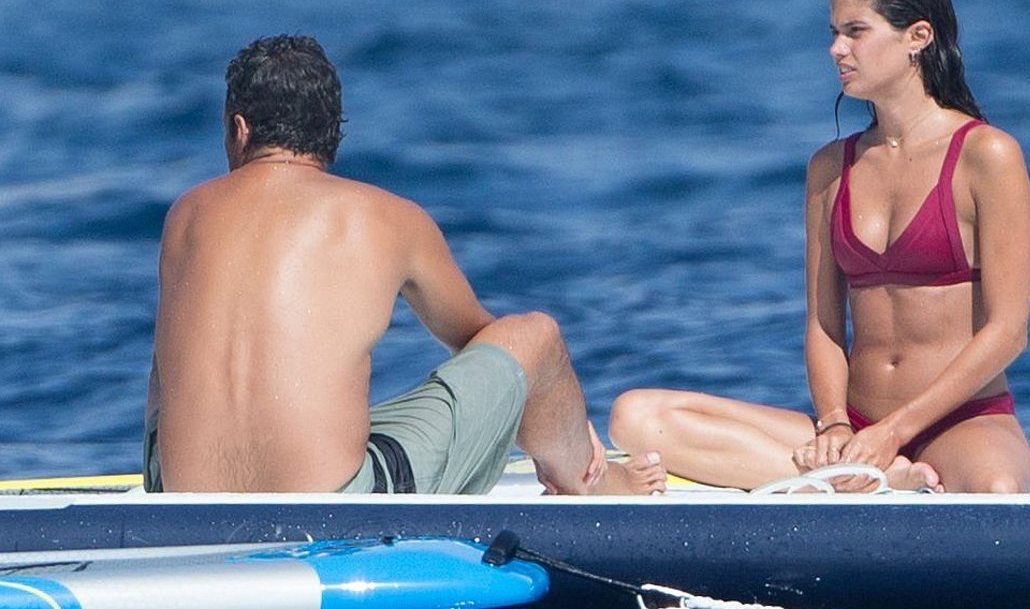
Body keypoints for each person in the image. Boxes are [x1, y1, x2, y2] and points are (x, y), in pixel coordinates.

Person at [144, 34, 666, 495]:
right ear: (332, 134)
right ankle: (594, 483)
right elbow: (480, 340)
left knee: (170, 358)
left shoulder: (186, 213)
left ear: (239, 130)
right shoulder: (389, 217)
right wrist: (558, 411)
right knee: (536, 339)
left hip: (183, 495)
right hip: (334, 503)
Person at [609, 0, 1030, 493]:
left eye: (855, 31)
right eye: (834, 33)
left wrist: (895, 430)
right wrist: (834, 422)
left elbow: (1008, 331)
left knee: (998, 489)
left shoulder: (986, 154)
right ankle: (872, 478)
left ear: (918, 37)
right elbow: (824, 326)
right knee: (637, 416)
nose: (837, 49)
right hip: (853, 425)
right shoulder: (831, 168)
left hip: (960, 420)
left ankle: (845, 478)